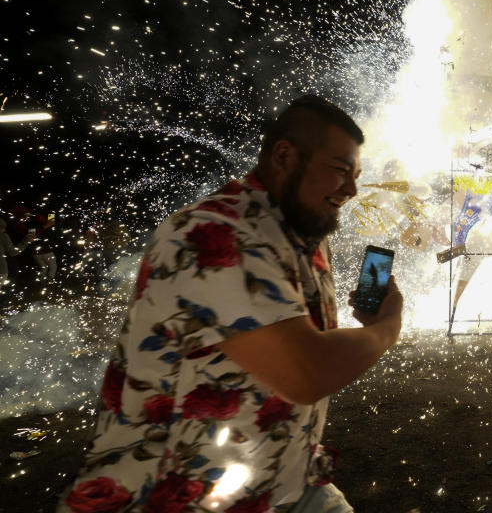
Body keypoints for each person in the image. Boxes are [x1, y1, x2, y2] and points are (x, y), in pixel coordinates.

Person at [58, 95, 404, 513]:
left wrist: (357, 323)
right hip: (178, 499)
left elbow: (295, 345)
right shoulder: (214, 233)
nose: (351, 190)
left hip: (285, 483)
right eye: (339, 171)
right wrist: (385, 328)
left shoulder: (303, 236)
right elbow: (307, 373)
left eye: (356, 176)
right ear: (284, 156)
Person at [0, 217, 34, 289]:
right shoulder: (3, 236)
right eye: (2, 228)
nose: (4, 230)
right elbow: (13, 252)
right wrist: (27, 240)